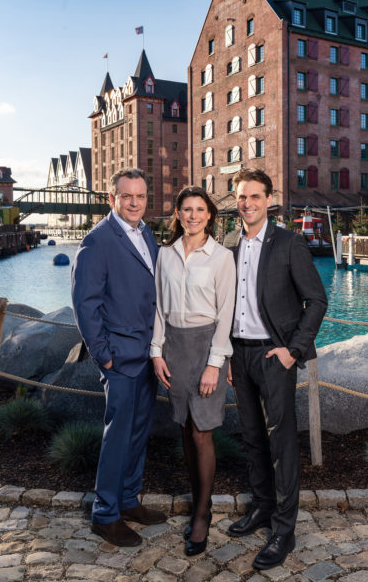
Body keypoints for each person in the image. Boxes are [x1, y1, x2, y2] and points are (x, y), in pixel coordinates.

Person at [226, 168, 328, 571]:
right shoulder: (229, 242)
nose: (247, 203)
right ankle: (262, 509)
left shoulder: (289, 243)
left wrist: (293, 351)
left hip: (275, 357)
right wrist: (225, 355)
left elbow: (316, 301)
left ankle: (284, 529)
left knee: (281, 443)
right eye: (241, 197)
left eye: (255, 196)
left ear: (269, 198)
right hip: (239, 354)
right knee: (251, 437)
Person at [71, 168, 166, 547]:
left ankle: (128, 500)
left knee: (139, 432)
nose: (133, 202)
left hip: (147, 356)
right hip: (120, 359)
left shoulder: (146, 234)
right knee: (117, 437)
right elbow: (84, 303)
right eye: (126, 196)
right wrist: (103, 355)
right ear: (113, 199)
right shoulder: (98, 241)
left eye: (140, 196)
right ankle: (105, 514)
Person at [151, 186, 236, 556]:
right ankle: (201, 500)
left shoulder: (221, 258)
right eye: (187, 209)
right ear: (178, 214)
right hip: (174, 347)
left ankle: (202, 513)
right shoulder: (165, 255)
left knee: (202, 432)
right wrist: (156, 352)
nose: (193, 216)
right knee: (185, 428)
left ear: (210, 215)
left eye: (200, 209)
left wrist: (215, 364)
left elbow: (226, 314)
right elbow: (157, 307)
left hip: (206, 348)